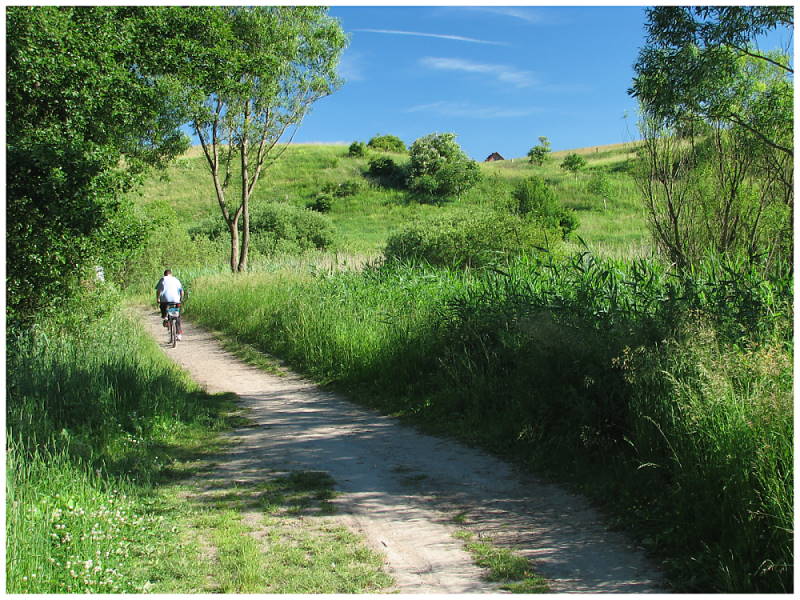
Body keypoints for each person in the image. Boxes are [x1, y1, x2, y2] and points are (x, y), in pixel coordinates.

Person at [155, 269, 184, 340]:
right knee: (177, 316)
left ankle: (165, 316)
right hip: (175, 300)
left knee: (162, 305)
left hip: (165, 300)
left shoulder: (162, 279)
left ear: (164, 274)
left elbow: (158, 290)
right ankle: (179, 334)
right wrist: (181, 299)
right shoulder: (176, 280)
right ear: (171, 274)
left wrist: (158, 299)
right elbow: (182, 291)